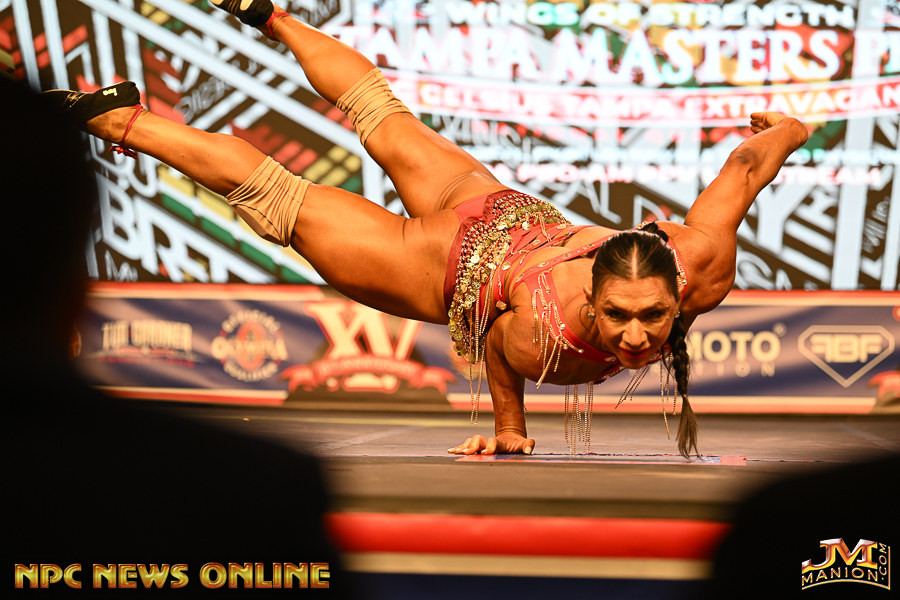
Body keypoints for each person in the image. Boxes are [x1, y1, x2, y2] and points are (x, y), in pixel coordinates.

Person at [43, 0, 809, 459]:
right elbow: (500, 350)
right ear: (592, 297)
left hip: (505, 210)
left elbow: (744, 169)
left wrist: (791, 129)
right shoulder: (540, 334)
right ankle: (118, 118)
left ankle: (269, 14)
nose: (637, 338)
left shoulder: (702, 259)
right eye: (618, 317)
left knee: (381, 114)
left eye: (652, 317)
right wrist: (508, 428)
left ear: (681, 289)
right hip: (440, 266)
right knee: (278, 197)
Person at [4, 77, 355, 597]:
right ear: (72, 288)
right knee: (305, 185)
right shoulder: (257, 487)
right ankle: (124, 119)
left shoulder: (258, 487)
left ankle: (125, 119)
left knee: (305, 185)